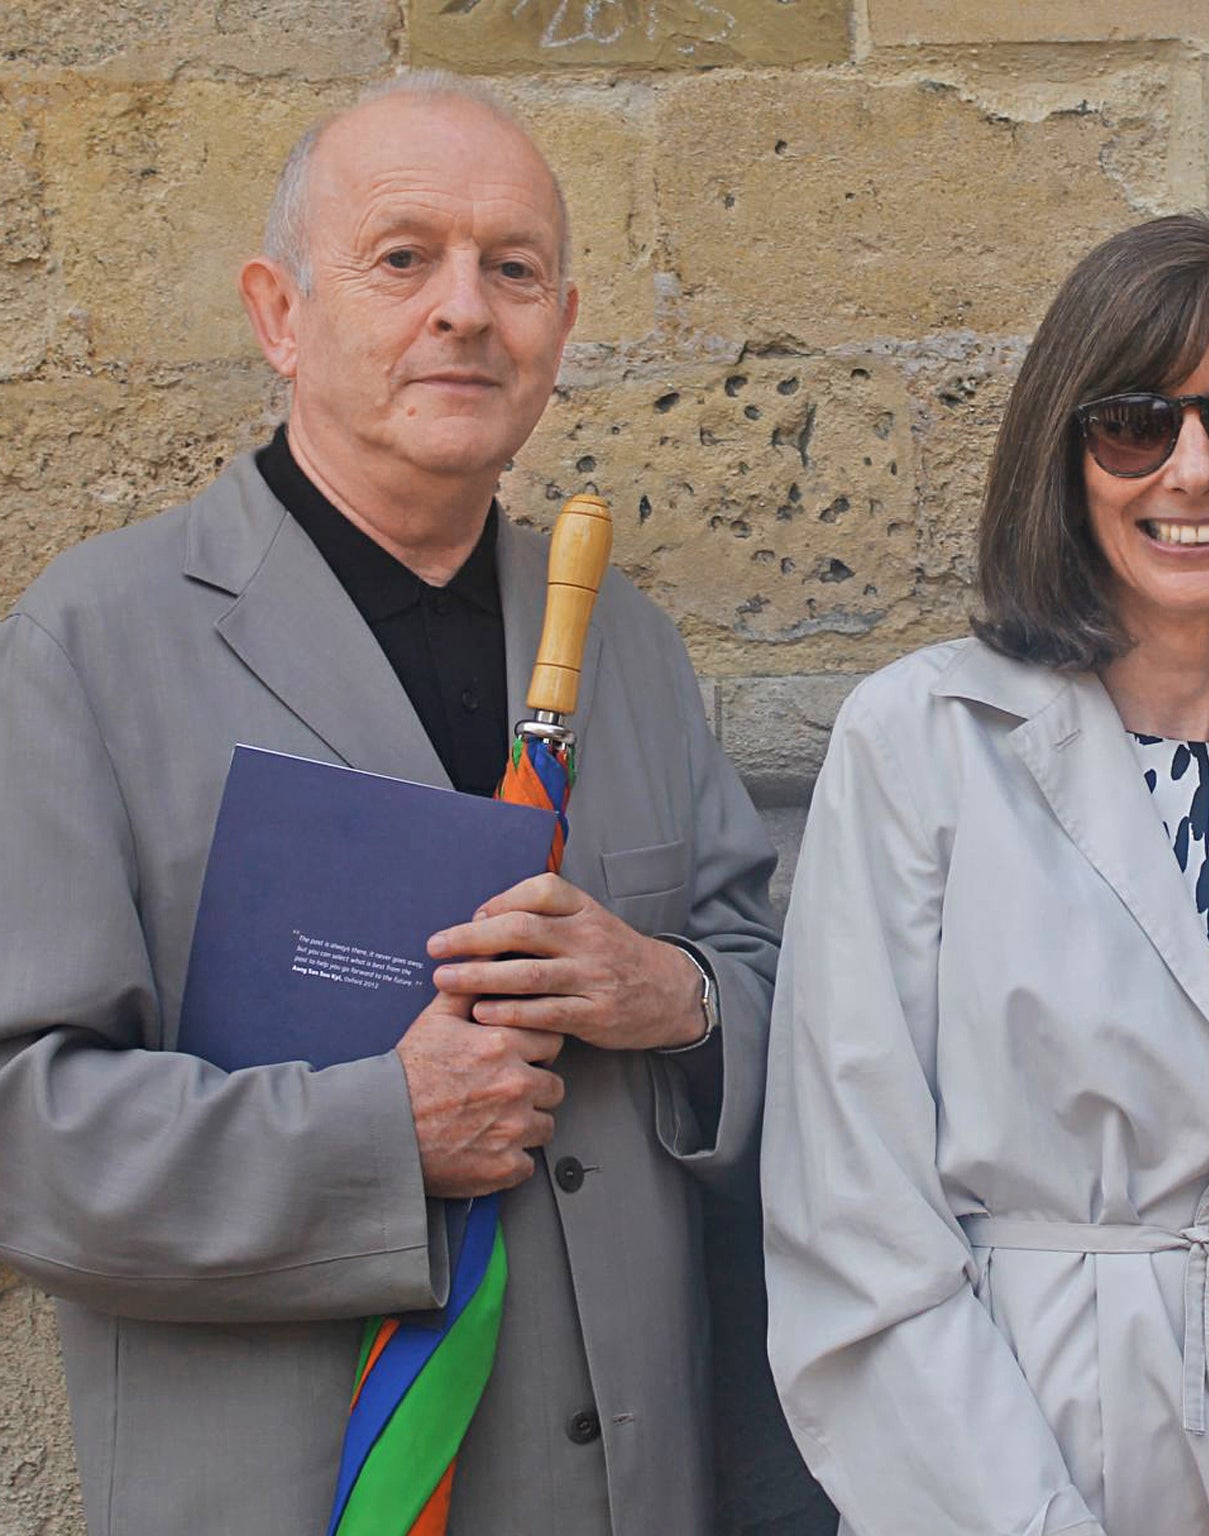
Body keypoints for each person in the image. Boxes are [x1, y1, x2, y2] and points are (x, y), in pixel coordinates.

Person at [0, 74, 817, 1536]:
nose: (464, 309)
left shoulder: (627, 643)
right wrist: (385, 1135)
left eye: (513, 269)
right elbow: (26, 1137)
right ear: (279, 314)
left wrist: (670, 996)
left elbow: (783, 1016)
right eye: (403, 258)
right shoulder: (89, 645)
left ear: (561, 330)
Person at [760, 214, 1209, 1536]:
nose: (1195, 470)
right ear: (1065, 458)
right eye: (1135, 424)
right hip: (996, 1476)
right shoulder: (925, 746)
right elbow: (854, 1225)